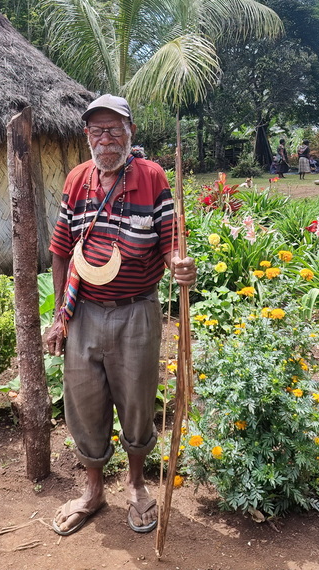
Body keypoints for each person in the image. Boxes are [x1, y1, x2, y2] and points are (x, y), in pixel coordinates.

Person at [43, 93, 197, 537]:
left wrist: (180, 264)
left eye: (114, 129)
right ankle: (93, 491)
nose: (105, 138)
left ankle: (136, 485)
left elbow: (170, 240)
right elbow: (60, 250)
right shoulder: (77, 179)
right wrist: (59, 316)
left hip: (136, 312)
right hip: (84, 313)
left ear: (130, 132)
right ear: (87, 135)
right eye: (97, 130)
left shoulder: (151, 177)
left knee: (137, 403)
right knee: (83, 403)